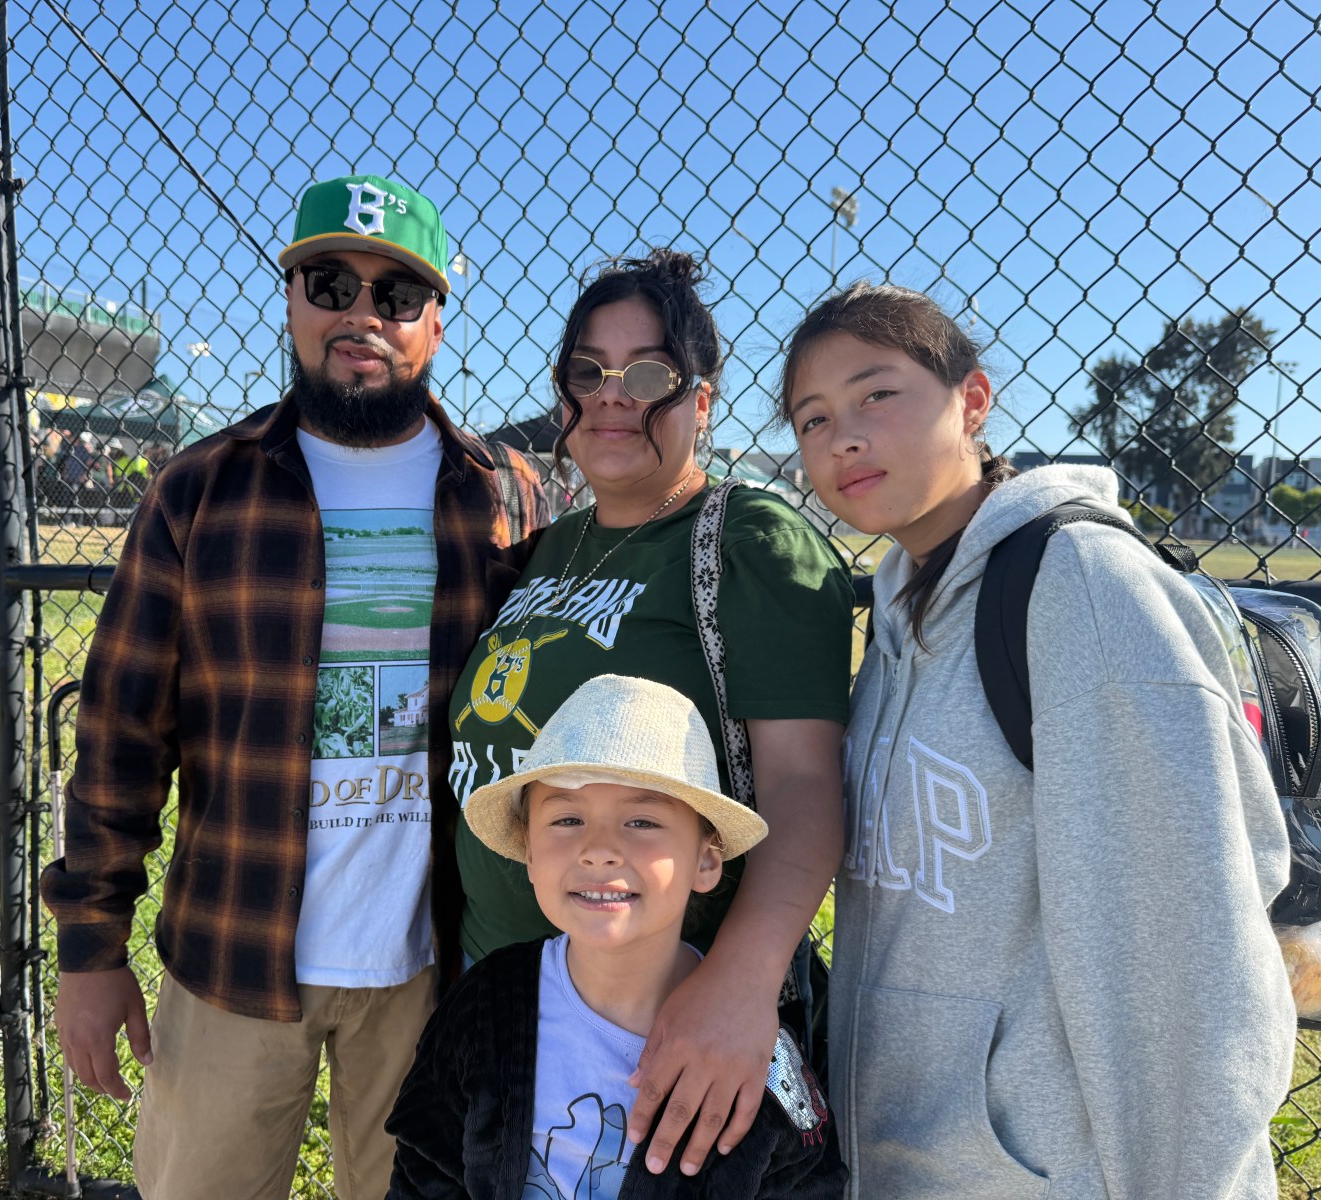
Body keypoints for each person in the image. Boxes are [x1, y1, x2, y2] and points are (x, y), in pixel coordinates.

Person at [42, 173, 549, 1200]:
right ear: (289, 300)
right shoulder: (200, 488)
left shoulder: (499, 496)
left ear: (436, 324)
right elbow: (120, 734)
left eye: (395, 296)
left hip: (432, 967)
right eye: (329, 282)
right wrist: (90, 950)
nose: (360, 314)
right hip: (233, 952)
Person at [778, 282, 1296, 1198]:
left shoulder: (1084, 588)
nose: (841, 437)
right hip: (911, 1162)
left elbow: (1188, 957)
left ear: (972, 400)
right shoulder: (902, 609)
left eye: (875, 395)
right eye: (811, 419)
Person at [449, 249, 854, 1176]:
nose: (611, 395)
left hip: (665, 1017)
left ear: (701, 401)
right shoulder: (551, 547)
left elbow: (803, 786)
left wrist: (738, 986)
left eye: (649, 374)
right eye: (587, 371)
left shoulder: (749, 540)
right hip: (505, 998)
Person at [389, 674, 844, 1198]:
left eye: (642, 822)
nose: (598, 849)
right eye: (566, 818)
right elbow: (425, 1169)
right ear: (530, 853)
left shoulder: (756, 1058)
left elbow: (808, 1182)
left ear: (706, 859)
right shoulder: (485, 1002)